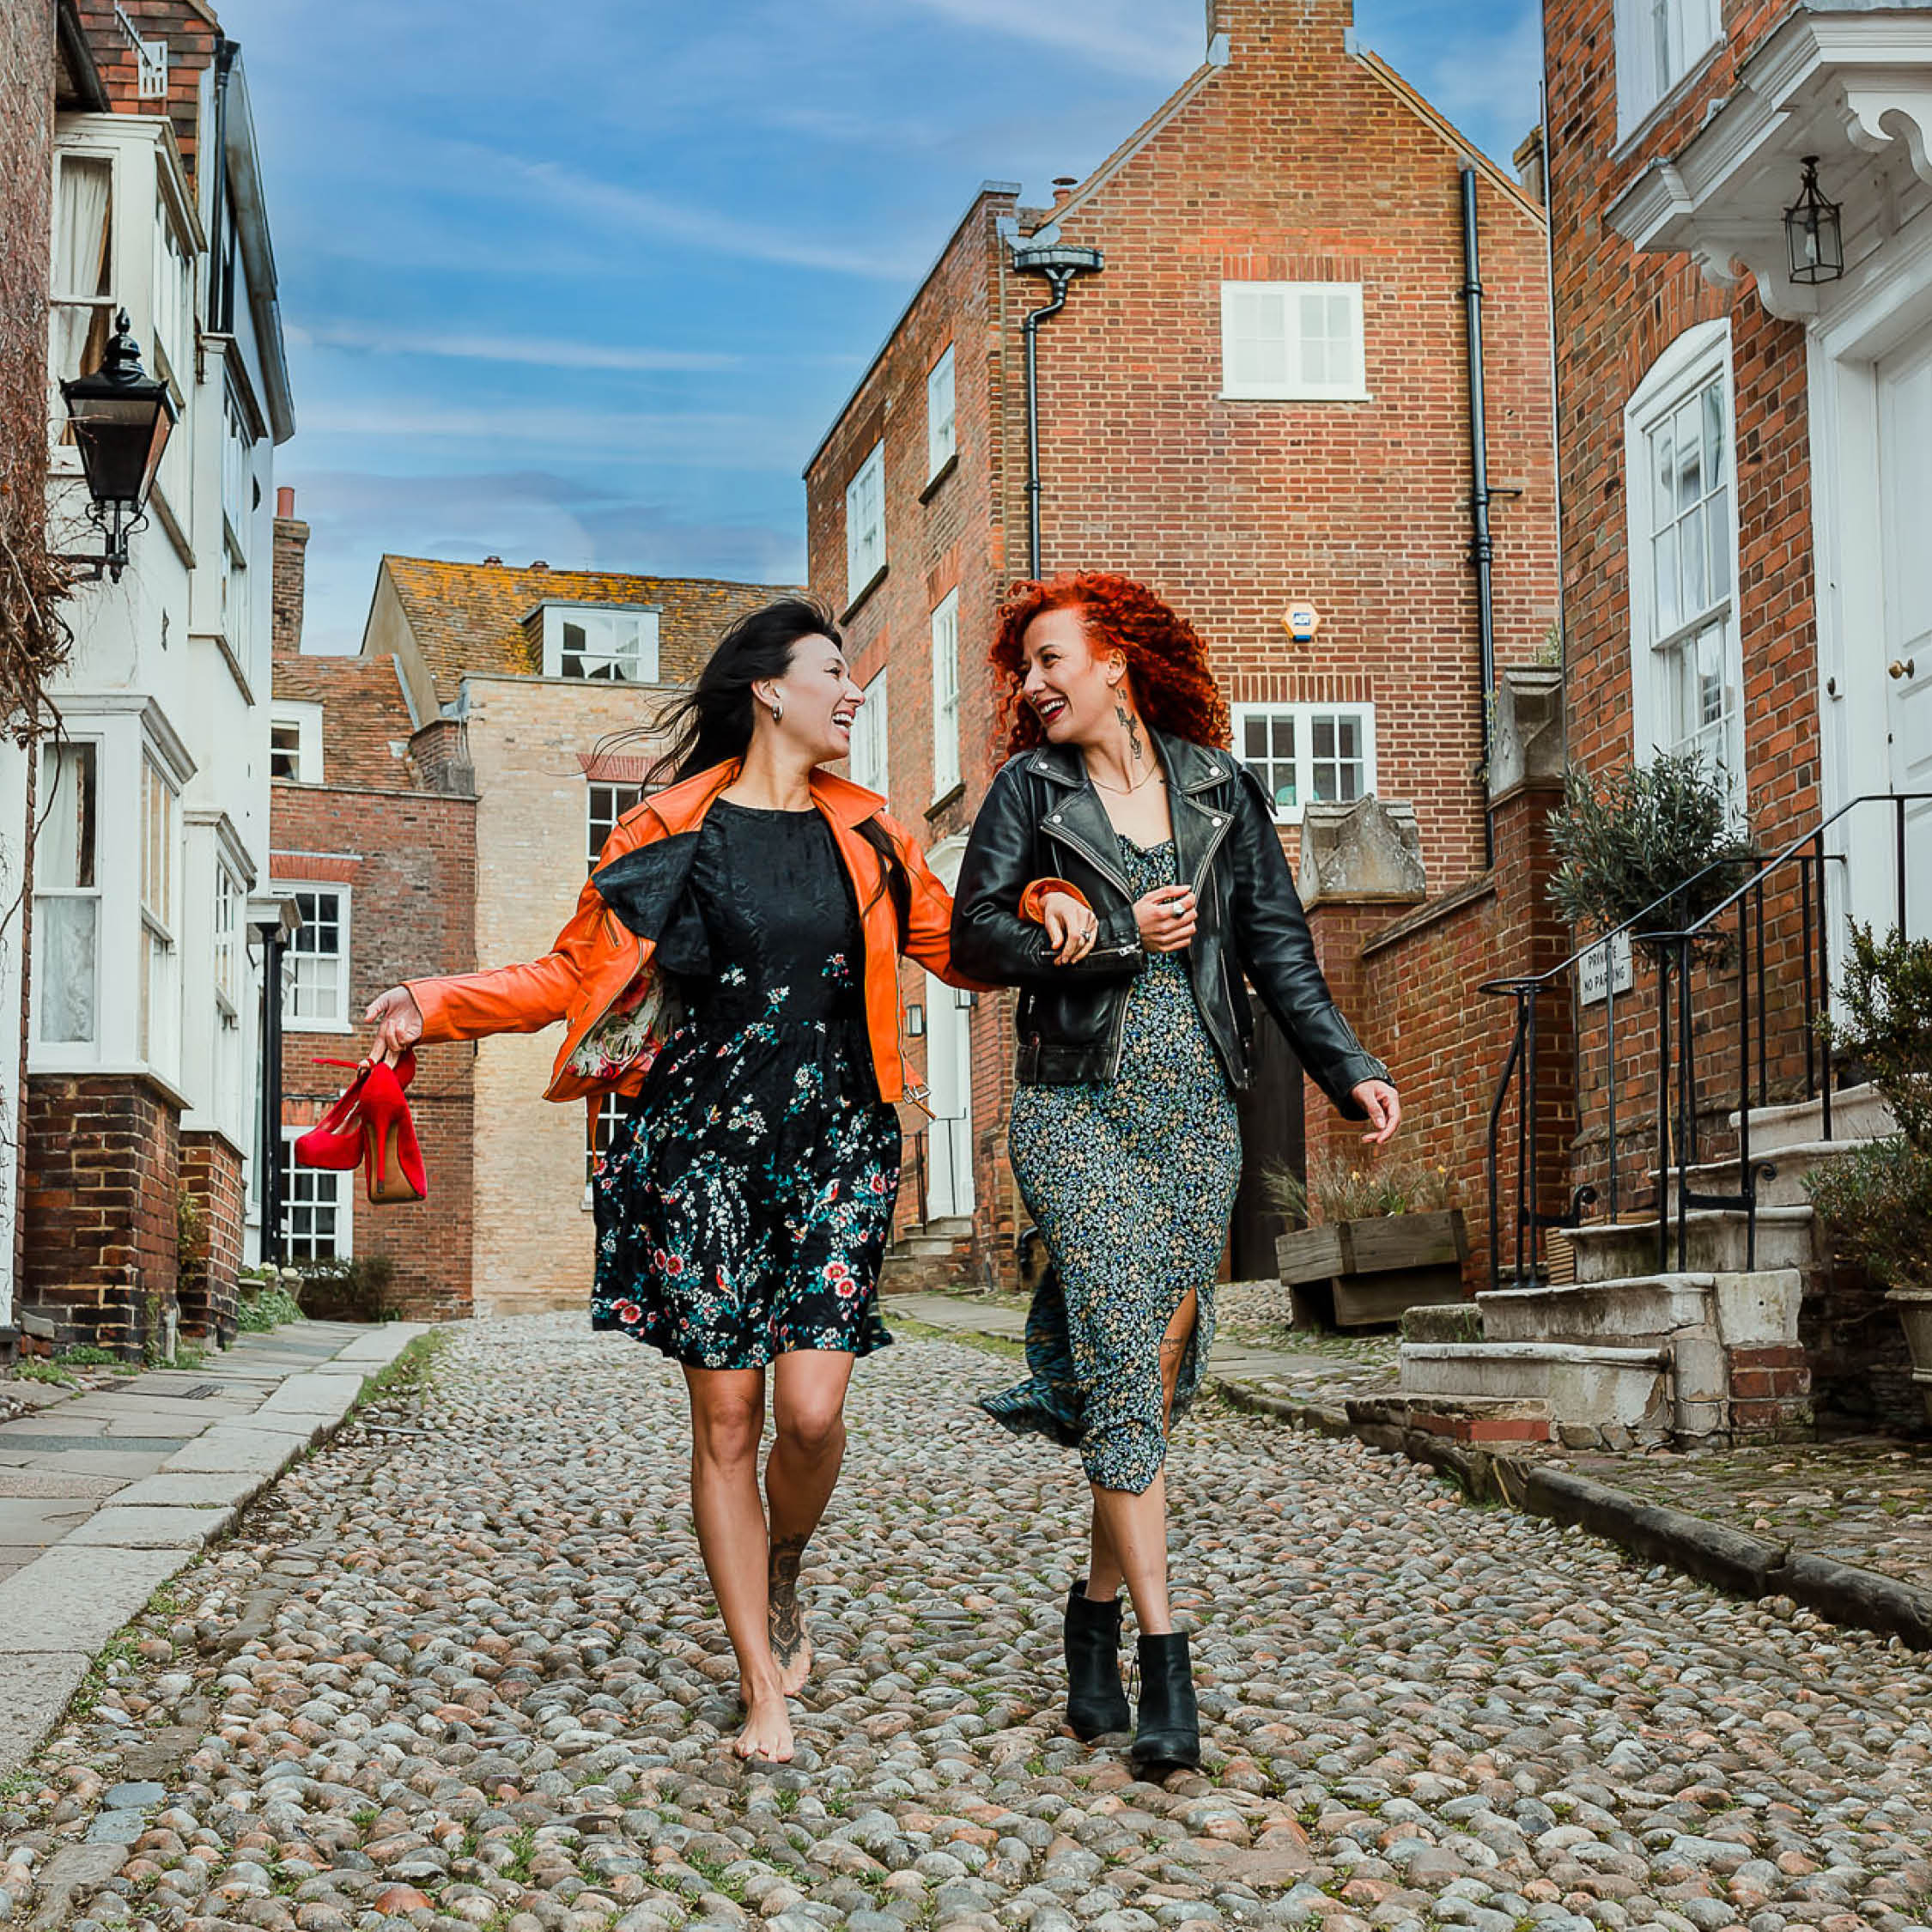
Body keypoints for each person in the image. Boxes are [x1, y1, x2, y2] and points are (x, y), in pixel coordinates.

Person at [362, 597, 977, 1764]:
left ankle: (781, 1561)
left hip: (838, 1144)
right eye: (833, 672)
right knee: (730, 1414)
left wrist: (1065, 917)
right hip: (696, 1148)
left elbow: (964, 947)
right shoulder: (663, 829)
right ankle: (760, 1683)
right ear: (769, 689)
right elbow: (568, 971)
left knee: (812, 1414)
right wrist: (434, 1002)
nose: (852, 693)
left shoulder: (873, 833)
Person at [951, 572, 1400, 1775]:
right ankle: (1164, 1654)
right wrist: (1102, 941)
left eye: (1051, 660)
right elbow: (970, 936)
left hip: (1196, 1113)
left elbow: (1277, 949)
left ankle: (1089, 1617)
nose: (1034, 685)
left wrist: (1344, 1062)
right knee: (1112, 1325)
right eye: (1026, 669)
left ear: (1117, 661)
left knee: (1143, 1364)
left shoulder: (1219, 788)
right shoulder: (1027, 792)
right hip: (1070, 1105)